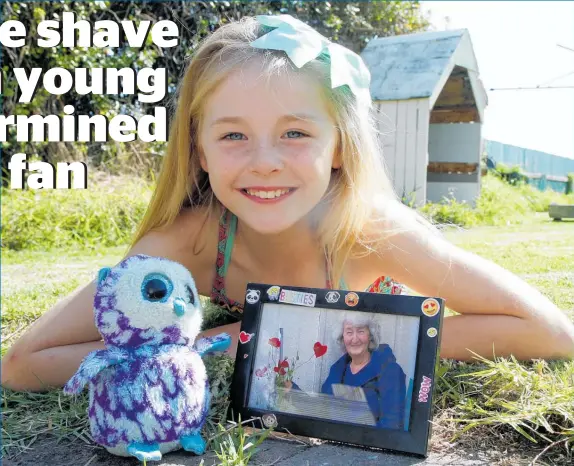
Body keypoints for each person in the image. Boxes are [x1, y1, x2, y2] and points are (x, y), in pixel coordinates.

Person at [2, 14, 574, 393]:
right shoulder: (190, 244)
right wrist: (218, 343)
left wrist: (340, 339)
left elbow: (550, 332)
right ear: (198, 149)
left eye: (296, 133)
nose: (265, 161)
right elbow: (23, 363)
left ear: (339, 145)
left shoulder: (374, 230)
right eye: (232, 136)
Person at [286, 313, 407, 430]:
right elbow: (323, 410)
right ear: (342, 337)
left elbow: (392, 425)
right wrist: (291, 390)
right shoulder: (338, 370)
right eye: (349, 332)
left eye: (361, 331)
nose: (354, 339)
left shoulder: (390, 371)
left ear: (370, 335)